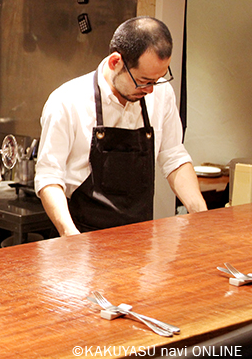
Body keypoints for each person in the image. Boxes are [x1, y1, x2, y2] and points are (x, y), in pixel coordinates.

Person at [34, 16, 207, 236]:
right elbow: (49, 177)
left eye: (158, 80)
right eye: (143, 81)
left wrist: (201, 215)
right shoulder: (67, 102)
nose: (151, 90)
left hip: (140, 240)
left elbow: (173, 156)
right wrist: (70, 235)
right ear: (115, 62)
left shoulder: (161, 94)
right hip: (82, 238)